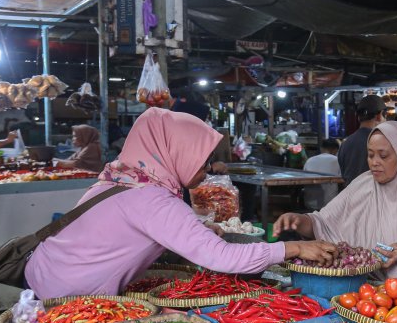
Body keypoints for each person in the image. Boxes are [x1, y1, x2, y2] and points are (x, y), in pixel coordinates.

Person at [24, 108, 336, 298]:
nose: (208, 168)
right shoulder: (153, 199)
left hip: (47, 273)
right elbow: (222, 257)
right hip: (66, 295)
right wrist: (294, 248)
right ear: (174, 151)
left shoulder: (124, 176)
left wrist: (198, 226)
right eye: (203, 158)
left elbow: (131, 226)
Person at [274, 121, 397, 284]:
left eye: (383, 156)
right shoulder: (364, 184)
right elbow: (325, 223)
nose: (375, 162)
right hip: (361, 286)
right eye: (370, 155)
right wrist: (299, 220)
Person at [337, 94, 386, 185]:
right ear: (379, 116)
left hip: (350, 196)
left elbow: (343, 174)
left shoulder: (345, 143)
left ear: (359, 117)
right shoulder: (383, 143)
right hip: (374, 197)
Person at [303, 139, 341, 210]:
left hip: (310, 203)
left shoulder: (309, 160)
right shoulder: (337, 161)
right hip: (330, 204)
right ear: (336, 150)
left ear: (321, 148)